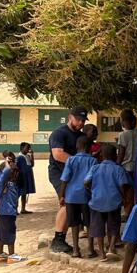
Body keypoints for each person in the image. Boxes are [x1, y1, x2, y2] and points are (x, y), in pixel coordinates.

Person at [49, 107, 87, 253]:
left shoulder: (82, 136)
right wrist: (79, 162)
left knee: (72, 205)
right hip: (59, 174)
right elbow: (58, 154)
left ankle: (63, 238)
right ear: (70, 117)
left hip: (75, 175)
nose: (81, 123)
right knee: (66, 203)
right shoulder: (59, 133)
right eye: (78, 119)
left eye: (83, 120)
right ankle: (58, 240)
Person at [84, 143, 130, 261]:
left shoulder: (95, 168)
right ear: (115, 156)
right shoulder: (118, 169)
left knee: (98, 227)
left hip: (96, 201)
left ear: (101, 156)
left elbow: (86, 182)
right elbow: (122, 185)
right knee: (114, 225)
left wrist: (91, 190)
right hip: (113, 202)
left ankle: (102, 253)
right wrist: (123, 197)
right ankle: (111, 247)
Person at [59, 136, 97, 258]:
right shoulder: (93, 161)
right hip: (86, 196)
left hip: (71, 196)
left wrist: (61, 195)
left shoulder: (70, 160)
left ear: (77, 146)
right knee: (89, 223)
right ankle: (90, 249)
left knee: (74, 224)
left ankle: (76, 249)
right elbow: (93, 179)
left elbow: (64, 179)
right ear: (89, 147)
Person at [0, 154, 23, 263]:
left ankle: (0, 254)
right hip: (7, 213)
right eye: (13, 171)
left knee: (0, 234)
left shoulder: (8, 183)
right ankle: (12, 256)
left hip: (3, 213)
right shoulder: (0, 183)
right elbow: (5, 172)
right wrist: (7, 163)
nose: (15, 173)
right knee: (10, 233)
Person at [116, 109, 137, 215]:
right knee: (136, 190)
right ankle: (136, 211)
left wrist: (116, 164)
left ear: (122, 121)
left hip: (126, 167)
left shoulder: (122, 135)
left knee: (127, 191)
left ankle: (127, 212)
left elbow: (121, 153)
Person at [16, 142, 35, 214]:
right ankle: (15, 209)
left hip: (27, 177)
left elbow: (32, 165)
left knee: (24, 193)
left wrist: (32, 155)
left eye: (29, 148)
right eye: (27, 148)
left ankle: (23, 209)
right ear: (22, 148)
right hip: (22, 178)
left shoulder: (27, 156)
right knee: (18, 193)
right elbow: (17, 168)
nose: (28, 149)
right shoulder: (19, 157)